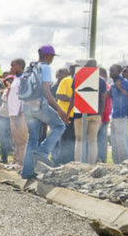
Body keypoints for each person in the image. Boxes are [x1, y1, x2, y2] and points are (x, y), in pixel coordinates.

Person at [20, 45, 68, 182]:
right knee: (59, 126)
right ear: (47, 56)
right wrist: (60, 110)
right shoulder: (45, 68)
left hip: (26, 106)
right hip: (38, 105)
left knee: (33, 138)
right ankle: (43, 152)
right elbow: (47, 91)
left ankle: (27, 171)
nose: (52, 59)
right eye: (52, 56)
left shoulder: (31, 68)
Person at [72, 60, 106, 164]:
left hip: (79, 112)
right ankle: (91, 164)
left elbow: (73, 96)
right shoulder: (101, 80)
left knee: (79, 140)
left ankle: (78, 163)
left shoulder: (78, 76)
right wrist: (100, 113)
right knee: (93, 141)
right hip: (95, 114)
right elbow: (103, 99)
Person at [109, 64, 128, 163]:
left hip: (122, 115)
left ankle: (124, 162)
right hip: (114, 115)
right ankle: (116, 163)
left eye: (113, 71)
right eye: (110, 71)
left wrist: (120, 88)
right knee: (114, 141)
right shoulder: (113, 84)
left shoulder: (124, 82)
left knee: (121, 140)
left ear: (119, 71)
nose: (110, 73)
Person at [53, 64, 77, 164]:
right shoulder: (66, 80)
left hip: (74, 114)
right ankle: (60, 158)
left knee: (72, 138)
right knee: (63, 137)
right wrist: (72, 99)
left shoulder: (80, 80)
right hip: (64, 113)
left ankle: (70, 158)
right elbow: (59, 95)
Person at [7, 58, 28, 168]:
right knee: (16, 139)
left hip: (20, 114)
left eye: (13, 65)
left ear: (20, 66)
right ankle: (15, 161)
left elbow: (23, 97)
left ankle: (21, 162)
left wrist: (20, 113)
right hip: (13, 113)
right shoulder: (16, 78)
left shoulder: (24, 79)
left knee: (22, 139)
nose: (11, 68)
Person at [0, 75, 14, 164]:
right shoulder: (6, 90)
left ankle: (5, 158)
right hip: (2, 115)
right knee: (2, 137)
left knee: (6, 137)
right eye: (7, 81)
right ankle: (4, 157)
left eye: (10, 81)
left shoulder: (14, 91)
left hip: (9, 117)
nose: (8, 82)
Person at [97, 67, 112, 163]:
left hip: (102, 117)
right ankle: (102, 160)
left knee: (100, 140)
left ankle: (101, 160)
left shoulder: (103, 86)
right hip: (104, 116)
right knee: (101, 140)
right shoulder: (107, 86)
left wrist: (100, 116)